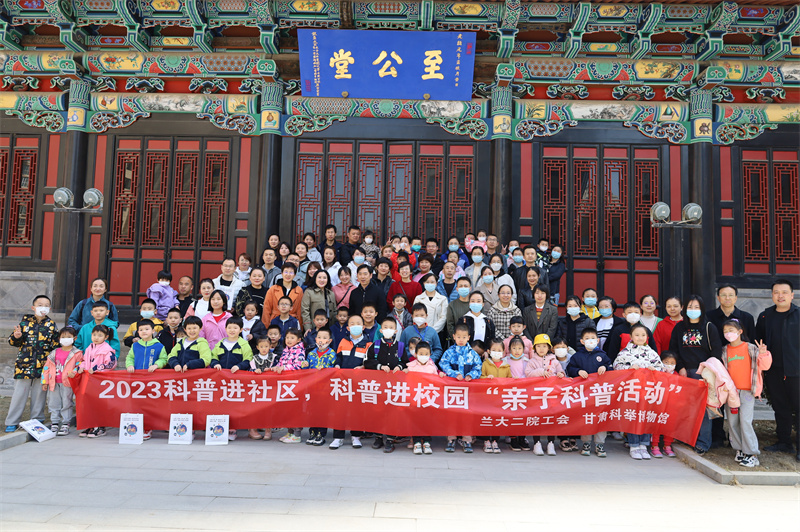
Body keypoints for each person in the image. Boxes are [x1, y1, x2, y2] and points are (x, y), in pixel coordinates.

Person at [669, 295, 723, 455]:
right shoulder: (679, 327)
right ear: (685, 309)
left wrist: (708, 370)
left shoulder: (709, 327)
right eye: (690, 307)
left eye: (696, 307)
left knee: (704, 410)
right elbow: (673, 350)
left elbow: (716, 351)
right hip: (685, 374)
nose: (693, 310)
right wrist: (680, 367)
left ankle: (703, 442)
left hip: (704, 374)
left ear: (702, 309)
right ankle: (687, 437)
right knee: (686, 408)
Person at [755, 279, 799, 459]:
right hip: (773, 371)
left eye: (784, 292)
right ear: (772, 295)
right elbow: (758, 342)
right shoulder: (765, 317)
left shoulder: (798, 315)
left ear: (792, 295)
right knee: (780, 407)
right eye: (776, 292)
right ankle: (784, 442)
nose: (780, 296)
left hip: (796, 371)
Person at [722, 319, 772, 467]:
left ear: (740, 331)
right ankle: (739, 450)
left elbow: (765, 366)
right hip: (731, 392)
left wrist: (763, 354)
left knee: (745, 421)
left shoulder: (750, 348)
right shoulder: (724, 350)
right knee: (732, 422)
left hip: (747, 392)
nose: (728, 334)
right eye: (725, 331)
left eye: (731, 330)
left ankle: (751, 453)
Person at [5, 296, 59, 433]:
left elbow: (55, 345)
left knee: (39, 394)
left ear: (49, 308)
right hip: (24, 366)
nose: (43, 307)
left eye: (46, 305)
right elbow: (13, 342)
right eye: (40, 304)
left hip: (43, 366)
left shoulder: (51, 325)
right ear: (33, 307)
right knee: (19, 394)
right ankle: (12, 422)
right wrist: (16, 337)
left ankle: (37, 419)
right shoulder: (24, 324)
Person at [613, 324, 665, 460]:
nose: (640, 337)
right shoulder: (625, 352)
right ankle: (634, 445)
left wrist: (654, 370)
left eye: (643, 335)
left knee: (646, 416)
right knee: (633, 417)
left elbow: (661, 368)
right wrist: (629, 368)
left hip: (648, 390)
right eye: (637, 335)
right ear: (631, 336)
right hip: (632, 390)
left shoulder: (652, 353)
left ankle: (644, 445)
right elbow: (616, 366)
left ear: (647, 337)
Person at [365, 317, 408, 453]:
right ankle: (378, 437)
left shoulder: (400, 346)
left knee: (392, 412)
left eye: (391, 327)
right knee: (377, 411)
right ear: (381, 330)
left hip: (394, 386)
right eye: (385, 327)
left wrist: (400, 367)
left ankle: (390, 439)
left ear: (395, 331)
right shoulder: (375, 345)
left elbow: (405, 362)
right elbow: (367, 361)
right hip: (378, 385)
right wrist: (379, 366)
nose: (388, 330)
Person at [568, 328, 612, 458]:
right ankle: (586, 443)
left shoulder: (603, 356)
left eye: (593, 338)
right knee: (586, 417)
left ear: (598, 340)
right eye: (587, 338)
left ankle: (600, 444)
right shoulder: (577, 356)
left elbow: (611, 369)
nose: (590, 341)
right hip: (585, 393)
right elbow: (570, 369)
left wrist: (605, 367)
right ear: (582, 341)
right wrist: (578, 371)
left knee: (601, 417)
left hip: (600, 393)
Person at [330, 315, 372, 449]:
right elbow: (338, 357)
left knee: (357, 410)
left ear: (363, 327)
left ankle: (356, 436)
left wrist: (363, 367)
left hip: (359, 382)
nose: (355, 326)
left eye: (358, 323)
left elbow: (369, 361)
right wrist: (337, 365)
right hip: (342, 382)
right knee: (339, 409)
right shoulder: (343, 341)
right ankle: (338, 437)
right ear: (348, 328)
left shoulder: (368, 344)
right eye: (352, 324)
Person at [439, 323, 481, 453]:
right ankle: (451, 439)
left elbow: (478, 367)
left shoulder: (473, 354)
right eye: (458, 337)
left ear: (468, 337)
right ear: (454, 337)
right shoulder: (449, 352)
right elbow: (443, 364)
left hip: (468, 392)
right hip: (453, 390)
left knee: (467, 415)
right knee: (452, 415)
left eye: (464, 337)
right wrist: (453, 374)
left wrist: (470, 375)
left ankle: (467, 440)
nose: (461, 339)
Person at [525, 334, 565, 456]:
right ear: (534, 348)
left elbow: (561, 371)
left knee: (551, 418)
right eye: (538, 346)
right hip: (537, 395)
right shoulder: (532, 361)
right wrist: (541, 372)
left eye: (544, 346)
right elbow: (528, 374)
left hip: (551, 395)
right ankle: (537, 443)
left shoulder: (554, 361)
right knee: (537, 418)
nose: (541, 349)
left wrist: (561, 374)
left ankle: (550, 443)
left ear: (549, 348)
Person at [77, 324, 117, 437]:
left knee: (99, 403)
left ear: (106, 337)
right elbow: (84, 360)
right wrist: (81, 367)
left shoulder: (107, 350)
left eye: (100, 335)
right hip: (89, 380)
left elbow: (111, 364)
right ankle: (90, 425)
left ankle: (100, 427)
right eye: (94, 335)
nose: (96, 337)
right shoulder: (89, 348)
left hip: (101, 381)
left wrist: (97, 368)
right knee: (88, 403)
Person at [41, 326, 82, 435]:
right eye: (63, 337)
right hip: (54, 382)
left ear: (74, 338)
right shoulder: (54, 352)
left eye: (68, 337)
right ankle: (54, 422)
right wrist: (45, 381)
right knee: (53, 402)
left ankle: (65, 423)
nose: (65, 339)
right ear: (59, 339)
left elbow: (80, 365)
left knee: (66, 402)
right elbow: (46, 367)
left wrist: (74, 372)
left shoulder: (77, 353)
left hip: (68, 382)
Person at [273, 328, 307, 444]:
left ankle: (297, 435)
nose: (289, 340)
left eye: (292, 338)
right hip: (286, 383)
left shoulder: (299, 350)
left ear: (298, 339)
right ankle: (290, 432)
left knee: (295, 408)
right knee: (287, 408)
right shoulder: (286, 350)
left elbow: (298, 365)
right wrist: (277, 367)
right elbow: (281, 362)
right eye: (287, 337)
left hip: (295, 383)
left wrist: (284, 368)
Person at [407, 341, 440, 455]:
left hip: (428, 399)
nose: (423, 356)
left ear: (430, 354)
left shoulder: (432, 367)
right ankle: (416, 442)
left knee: (427, 421)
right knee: (416, 420)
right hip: (415, 398)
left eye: (426, 354)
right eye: (421, 353)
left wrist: (440, 375)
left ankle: (426, 442)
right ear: (416, 354)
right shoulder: (411, 366)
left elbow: (436, 382)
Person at [305, 327, 337, 446]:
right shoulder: (311, 353)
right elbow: (306, 369)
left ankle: (321, 434)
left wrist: (325, 369)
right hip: (312, 387)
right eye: (319, 337)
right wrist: (304, 364)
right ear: (315, 339)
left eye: (324, 338)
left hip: (325, 388)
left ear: (329, 340)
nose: (321, 340)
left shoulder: (332, 354)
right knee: (311, 410)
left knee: (322, 410)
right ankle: (312, 432)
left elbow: (334, 369)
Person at [652, 351, 679, 457]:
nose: (669, 365)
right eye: (666, 362)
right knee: (657, 426)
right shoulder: (658, 374)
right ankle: (654, 445)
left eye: (672, 363)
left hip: (672, 406)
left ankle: (667, 445)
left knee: (670, 426)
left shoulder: (677, 376)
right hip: (659, 405)